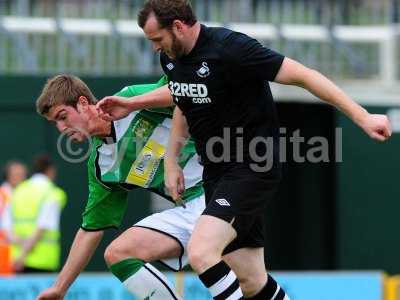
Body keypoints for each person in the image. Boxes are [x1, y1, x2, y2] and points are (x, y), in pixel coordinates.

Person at [97, 1, 392, 299]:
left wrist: (362, 116)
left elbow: (305, 75)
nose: (155, 49)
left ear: (178, 26)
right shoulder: (172, 61)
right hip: (216, 173)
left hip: (253, 165)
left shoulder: (231, 48)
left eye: (157, 40)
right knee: (251, 281)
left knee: (201, 252)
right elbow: (182, 106)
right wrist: (171, 163)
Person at [35, 74, 207, 300]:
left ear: (83, 103)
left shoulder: (128, 100)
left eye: (63, 116)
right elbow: (91, 230)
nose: (61, 127)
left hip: (223, 187)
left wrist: (135, 103)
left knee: (240, 278)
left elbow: (182, 90)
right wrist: (60, 288)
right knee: (119, 254)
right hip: (192, 211)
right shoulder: (101, 165)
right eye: (55, 122)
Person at [4, 155, 67, 273]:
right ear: (51, 171)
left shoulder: (17, 191)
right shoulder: (53, 193)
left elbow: (6, 228)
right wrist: (24, 254)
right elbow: (42, 228)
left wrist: (21, 253)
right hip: (42, 262)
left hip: (17, 261)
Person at [0, 160, 27, 274]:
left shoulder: (24, 195)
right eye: (16, 175)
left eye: (22, 175)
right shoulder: (3, 195)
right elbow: (5, 228)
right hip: (5, 255)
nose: (20, 178)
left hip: (19, 254)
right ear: (8, 176)